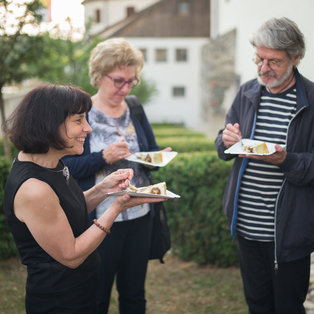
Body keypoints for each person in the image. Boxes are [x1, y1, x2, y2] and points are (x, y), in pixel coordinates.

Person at [3, 84, 165, 313]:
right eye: (78, 120)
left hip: (80, 291)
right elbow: (71, 255)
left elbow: (68, 210)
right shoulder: (34, 189)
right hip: (59, 301)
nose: (87, 128)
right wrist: (116, 208)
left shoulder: (50, 161)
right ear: (50, 124)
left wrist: (105, 189)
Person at [63, 38, 171, 314]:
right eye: (119, 81)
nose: (125, 88)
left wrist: (157, 158)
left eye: (131, 81)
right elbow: (66, 168)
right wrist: (103, 158)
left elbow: (150, 152)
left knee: (135, 294)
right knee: (96, 295)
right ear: (99, 75)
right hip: (98, 219)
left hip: (139, 215)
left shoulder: (134, 107)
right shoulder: (80, 112)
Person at [215, 17, 314, 314]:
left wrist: (286, 160)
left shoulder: (311, 101)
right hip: (246, 226)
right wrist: (227, 140)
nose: (262, 68)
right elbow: (222, 145)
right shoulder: (247, 92)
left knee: (287, 307)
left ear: (296, 58)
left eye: (273, 61)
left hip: (290, 231)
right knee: (257, 305)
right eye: (259, 58)